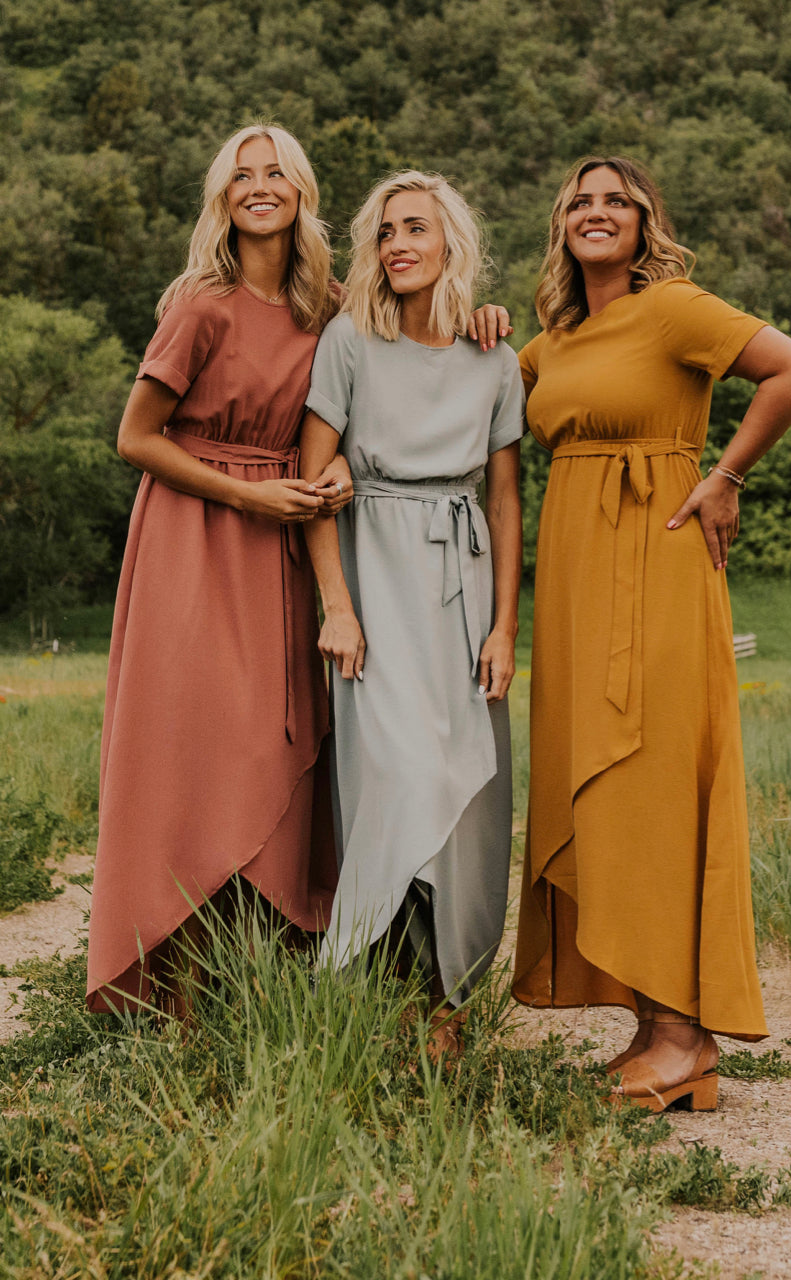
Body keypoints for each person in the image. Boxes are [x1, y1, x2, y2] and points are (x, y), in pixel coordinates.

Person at [511, 156, 791, 1111]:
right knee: (598, 787)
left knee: (651, 780)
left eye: (617, 203)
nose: (597, 213)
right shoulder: (548, 343)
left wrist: (725, 475)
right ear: (561, 226)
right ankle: (653, 1027)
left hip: (658, 556)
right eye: (581, 202)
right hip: (572, 576)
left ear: (645, 226)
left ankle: (685, 1035)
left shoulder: (677, 307)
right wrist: (480, 325)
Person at [87, 124, 354, 1015]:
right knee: (194, 745)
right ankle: (167, 972)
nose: (260, 185)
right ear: (223, 199)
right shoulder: (200, 305)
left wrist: (481, 321)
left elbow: (403, 346)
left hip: (282, 546)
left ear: (302, 192)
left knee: (274, 737)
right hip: (195, 537)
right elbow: (135, 438)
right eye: (243, 175)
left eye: (276, 172)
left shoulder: (330, 307)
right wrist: (248, 498)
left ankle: (263, 966)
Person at [299, 171, 524, 1057]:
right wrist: (338, 607)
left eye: (415, 229)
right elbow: (317, 480)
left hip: (462, 587)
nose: (397, 244)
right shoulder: (349, 339)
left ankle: (448, 1004)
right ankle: (375, 984)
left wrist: (505, 627)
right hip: (374, 575)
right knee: (394, 780)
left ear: (449, 245)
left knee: (467, 794)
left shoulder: (494, 355)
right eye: (384, 231)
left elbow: (505, 501)